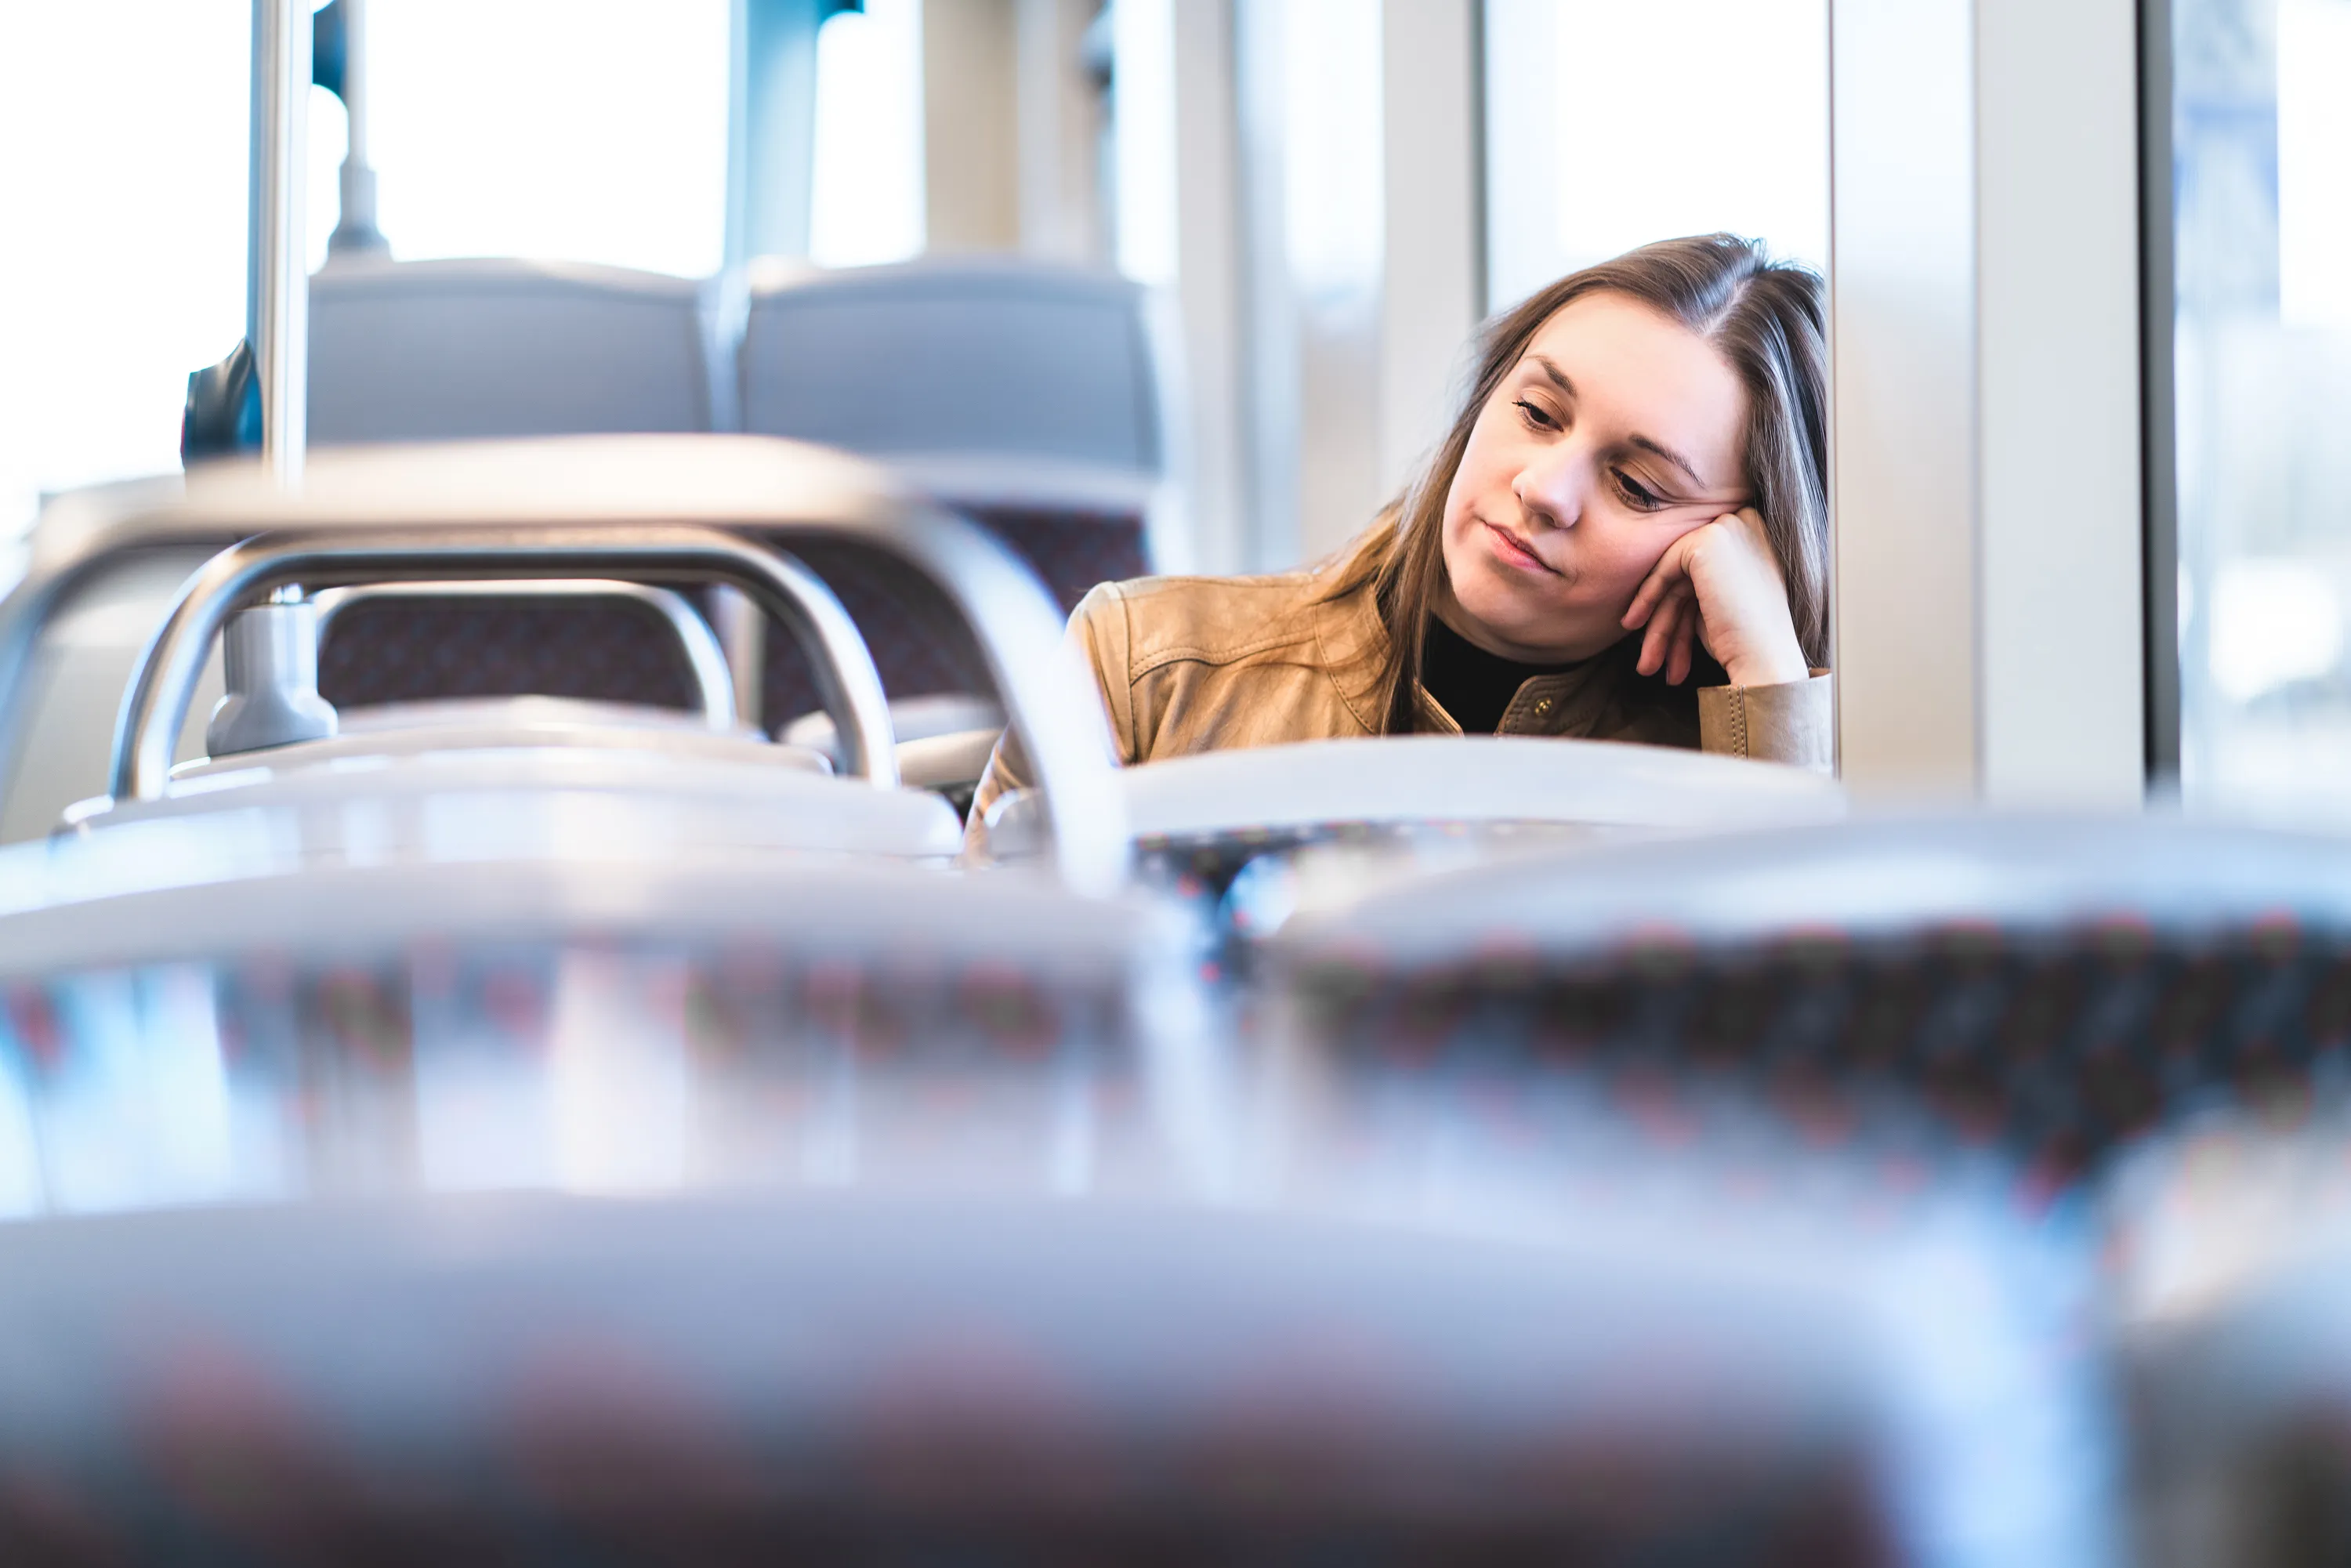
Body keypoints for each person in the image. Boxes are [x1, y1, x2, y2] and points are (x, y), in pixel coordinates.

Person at [969, 232, 1831, 842]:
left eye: (1637, 487)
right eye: (1536, 413)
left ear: (1730, 540)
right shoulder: (1144, 663)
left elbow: (1809, 1059)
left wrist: (1768, 683)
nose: (1543, 490)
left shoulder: (1723, 764)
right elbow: (974, 1025)